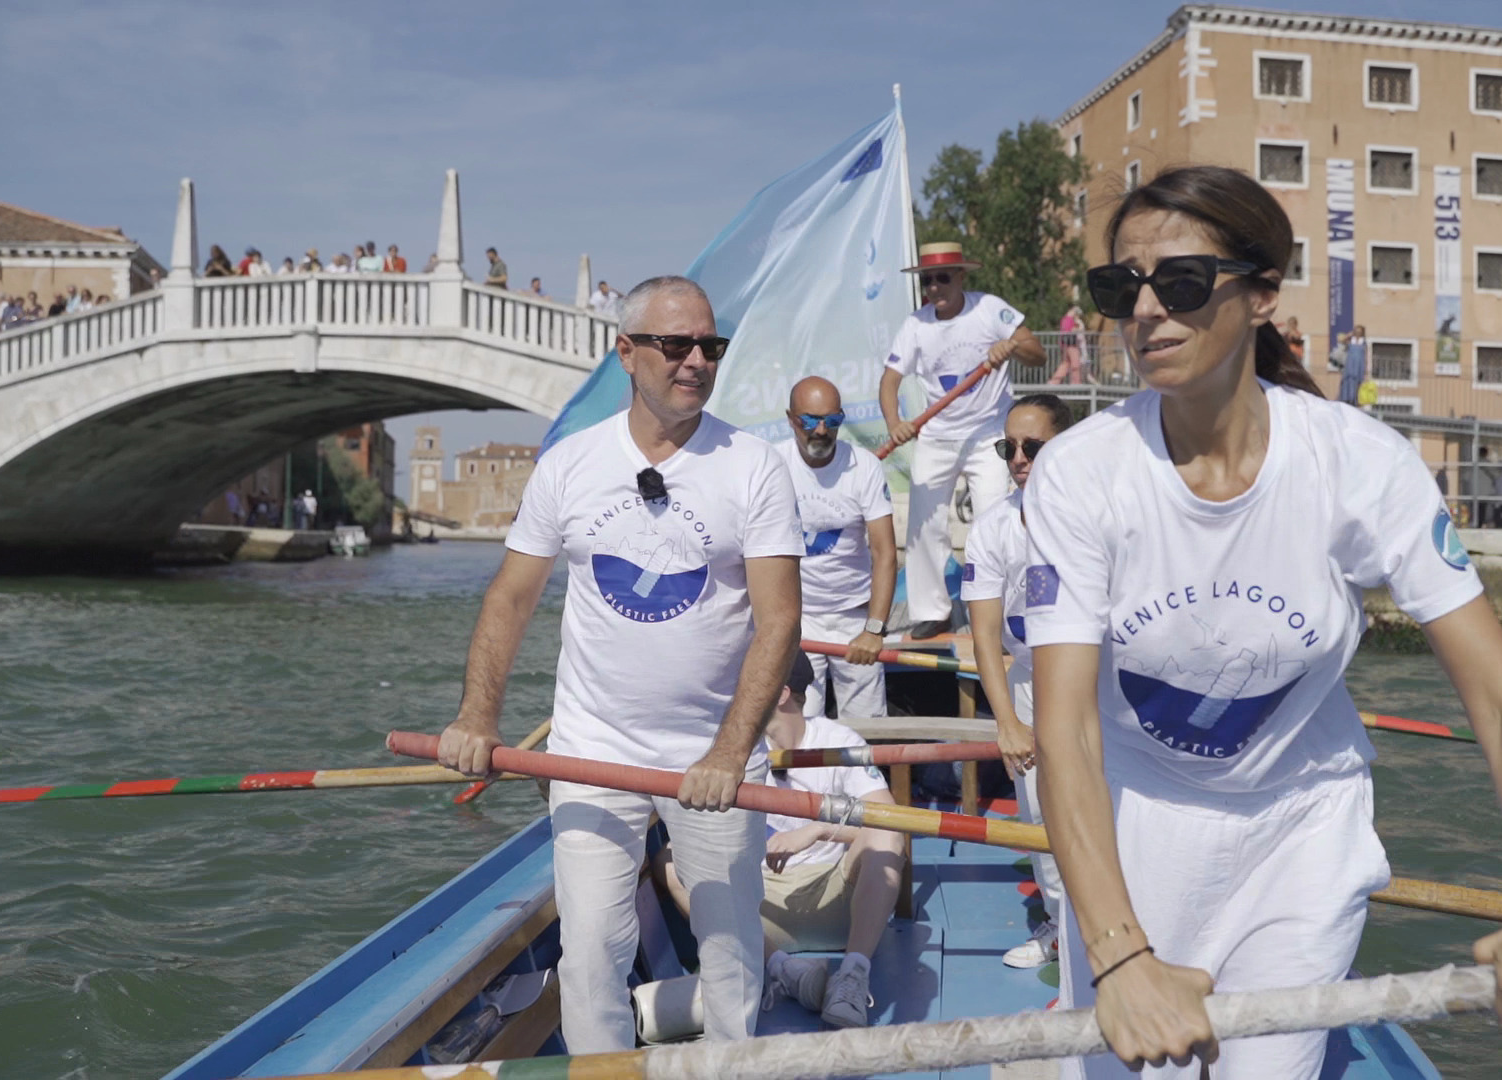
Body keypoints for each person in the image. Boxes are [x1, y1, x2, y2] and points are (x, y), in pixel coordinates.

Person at [1025, 165, 1502, 1078]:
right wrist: (1119, 953)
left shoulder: (1358, 465)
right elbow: (1065, 736)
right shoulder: (1079, 473)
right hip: (1136, 823)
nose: (1143, 310)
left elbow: (1497, 694)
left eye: (1178, 282)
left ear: (1260, 294)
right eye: (1119, 286)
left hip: (1299, 829)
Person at [437, 275, 803, 1053]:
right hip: (592, 749)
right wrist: (477, 718)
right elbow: (510, 599)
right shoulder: (570, 466)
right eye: (677, 345)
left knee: (732, 950)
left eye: (711, 345)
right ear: (627, 353)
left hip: (713, 756)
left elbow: (779, 621)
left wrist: (730, 753)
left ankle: (731, 1073)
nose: (697, 360)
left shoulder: (754, 467)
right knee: (592, 952)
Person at [650, 651, 904, 1029]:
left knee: (885, 833)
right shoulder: (729, 753)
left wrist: (818, 829)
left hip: (836, 902)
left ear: (780, 692)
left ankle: (852, 974)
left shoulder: (837, 740)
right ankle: (784, 970)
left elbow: (890, 818)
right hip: (759, 909)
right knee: (669, 860)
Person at [879, 241, 1047, 640]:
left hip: (989, 433)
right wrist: (894, 422)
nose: (933, 288)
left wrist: (1012, 346)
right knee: (922, 525)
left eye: (941, 278)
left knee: (994, 519)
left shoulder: (989, 309)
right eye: (927, 280)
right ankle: (932, 611)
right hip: (937, 437)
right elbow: (890, 380)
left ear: (960, 277)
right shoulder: (916, 325)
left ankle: (999, 615)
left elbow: (1037, 353)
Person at [963, 393, 1072, 970]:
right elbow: (983, 636)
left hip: (1100, 684)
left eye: (1033, 446)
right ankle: (1060, 922)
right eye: (1009, 448)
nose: (1018, 459)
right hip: (1031, 681)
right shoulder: (993, 527)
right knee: (1037, 814)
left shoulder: (1100, 514)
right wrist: (1006, 721)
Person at [782, 376, 895, 721]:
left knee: (865, 737)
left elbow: (885, 553)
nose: (820, 431)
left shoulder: (864, 467)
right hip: (796, 620)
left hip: (854, 619)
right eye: (809, 421)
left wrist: (874, 629)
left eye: (831, 421)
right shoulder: (772, 465)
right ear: (791, 419)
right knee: (793, 734)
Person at [1051, 304, 1086, 384]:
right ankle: (1076, 382)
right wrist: (1078, 328)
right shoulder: (1070, 320)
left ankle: (1054, 382)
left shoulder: (1064, 319)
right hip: (1071, 345)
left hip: (1064, 345)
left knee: (1065, 363)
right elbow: (1070, 330)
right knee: (1075, 364)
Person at [1338, 324, 1367, 407]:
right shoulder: (1351, 340)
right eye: (1356, 330)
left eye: (1359, 331)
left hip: (1359, 364)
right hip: (1350, 363)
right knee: (1348, 380)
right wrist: (1348, 335)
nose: (1358, 332)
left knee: (1357, 381)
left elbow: (1365, 355)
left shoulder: (1363, 341)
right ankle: (1346, 398)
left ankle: (1355, 400)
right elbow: (1341, 341)